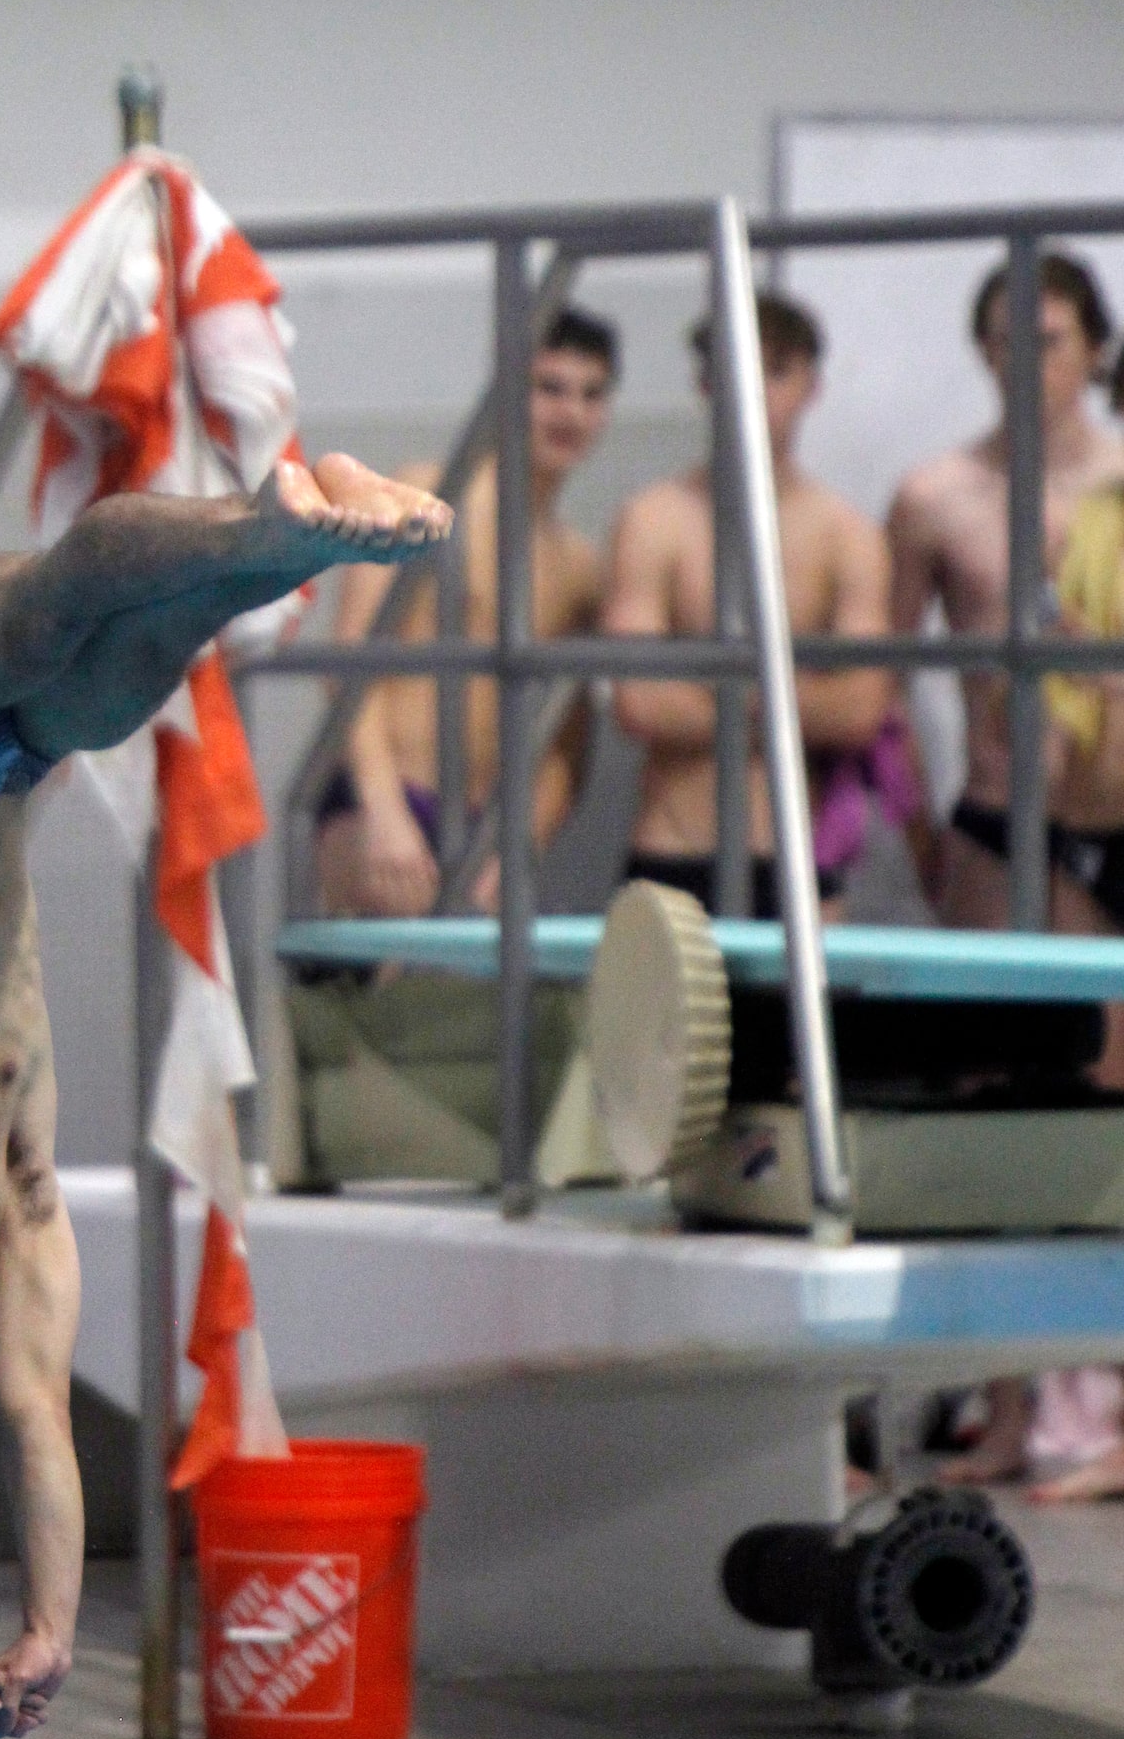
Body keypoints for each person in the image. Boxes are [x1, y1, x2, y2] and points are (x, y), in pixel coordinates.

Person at [0, 455, 451, 1739]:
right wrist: (51, 1629)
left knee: (40, 618)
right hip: (0, 768)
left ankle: (259, 516)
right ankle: (309, 530)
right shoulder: (17, 1192)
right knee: (165, 638)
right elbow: (33, 1417)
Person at [888, 253, 1124, 1498]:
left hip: (1115, 823)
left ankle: (1107, 1410)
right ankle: (1004, 1409)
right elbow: (871, 674)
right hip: (998, 822)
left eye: (1051, 337)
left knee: (1111, 1121)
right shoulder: (938, 497)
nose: (1027, 361)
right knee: (998, 1115)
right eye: (1005, 340)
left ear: (1092, 347)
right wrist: (913, 833)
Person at [315, 309, 617, 917]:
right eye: (550, 388)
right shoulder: (426, 496)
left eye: (592, 394)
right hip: (384, 796)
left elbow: (569, 743)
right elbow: (349, 661)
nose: (572, 412)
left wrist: (521, 844)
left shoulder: (579, 566)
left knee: (465, 1006)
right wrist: (383, 811)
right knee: (391, 998)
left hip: (482, 829)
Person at [601, 292, 893, 919]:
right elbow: (639, 702)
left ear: (812, 385)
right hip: (673, 847)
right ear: (707, 383)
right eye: (737, 367)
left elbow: (861, 710)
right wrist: (792, 698)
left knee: (800, 1023)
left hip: (797, 856)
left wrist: (712, 690)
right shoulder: (653, 522)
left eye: (776, 370)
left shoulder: (848, 537)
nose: (756, 390)